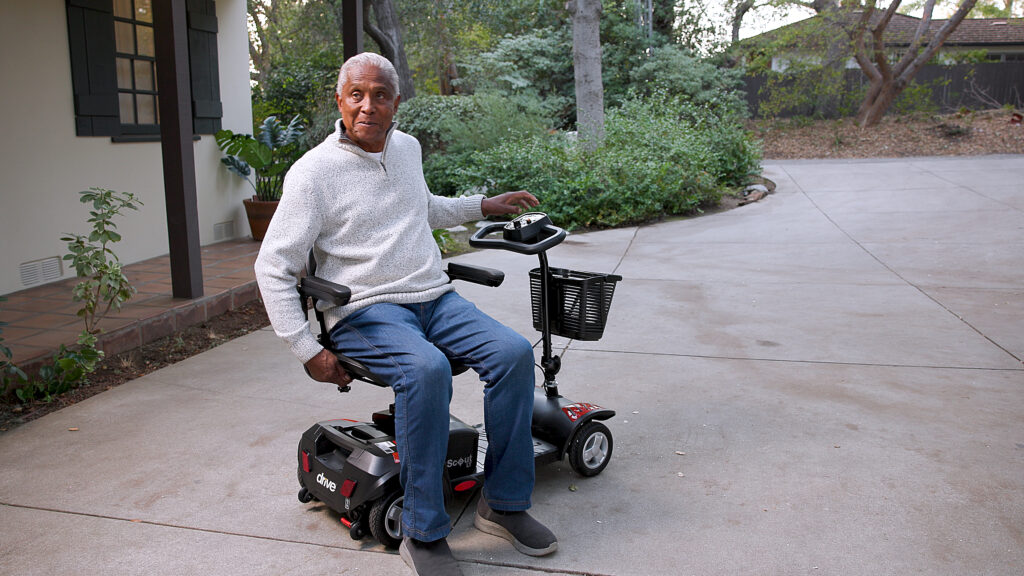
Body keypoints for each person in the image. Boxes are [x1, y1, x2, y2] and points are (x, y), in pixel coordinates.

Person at [254, 52, 557, 576]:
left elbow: (422, 206)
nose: (367, 106)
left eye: (380, 95)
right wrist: (305, 348)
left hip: (433, 299)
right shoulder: (313, 173)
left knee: (511, 354)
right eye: (357, 94)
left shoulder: (408, 148)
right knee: (426, 370)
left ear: (397, 102)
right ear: (340, 99)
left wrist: (482, 205)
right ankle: (424, 532)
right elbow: (272, 266)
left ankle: (504, 503)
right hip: (366, 312)